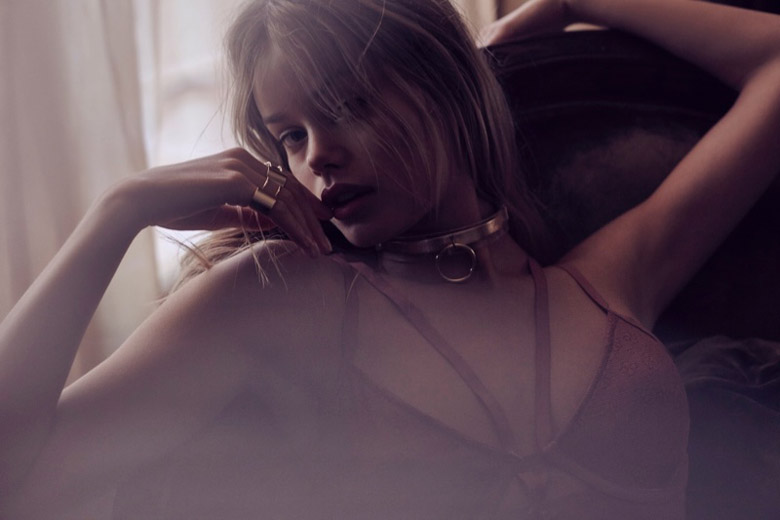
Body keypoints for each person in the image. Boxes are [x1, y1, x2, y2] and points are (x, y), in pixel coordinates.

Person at [1, 0, 778, 518]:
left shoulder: (607, 280)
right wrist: (118, 213)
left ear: (445, 87)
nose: (317, 157)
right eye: (290, 134)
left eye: (347, 105)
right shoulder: (280, 296)